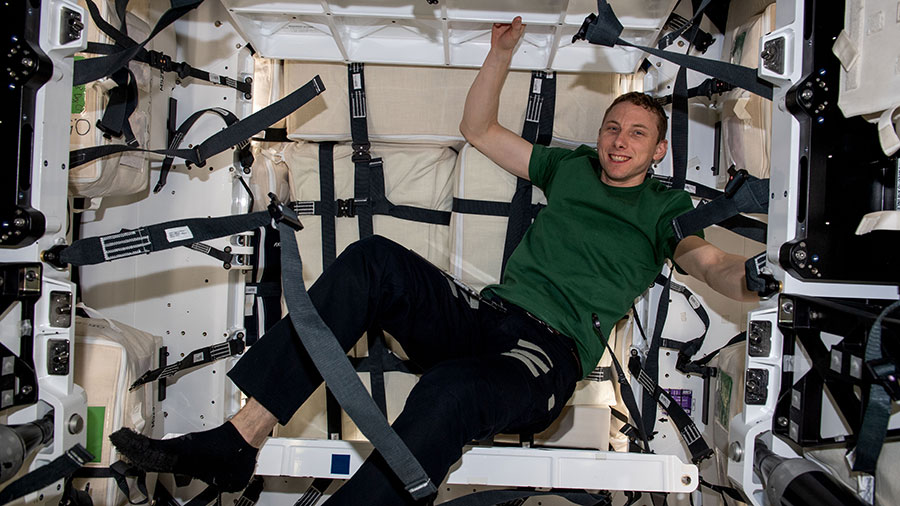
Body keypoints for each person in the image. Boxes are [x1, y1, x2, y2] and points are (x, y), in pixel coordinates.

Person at [110, 16, 756, 505]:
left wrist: (751, 277)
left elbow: (708, 264)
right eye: (613, 128)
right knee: (371, 261)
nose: (619, 141)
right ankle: (239, 438)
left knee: (450, 391)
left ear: (659, 151)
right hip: (484, 318)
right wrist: (500, 56)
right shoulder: (572, 169)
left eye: (636, 134)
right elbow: (480, 131)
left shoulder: (665, 211)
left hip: (544, 358)